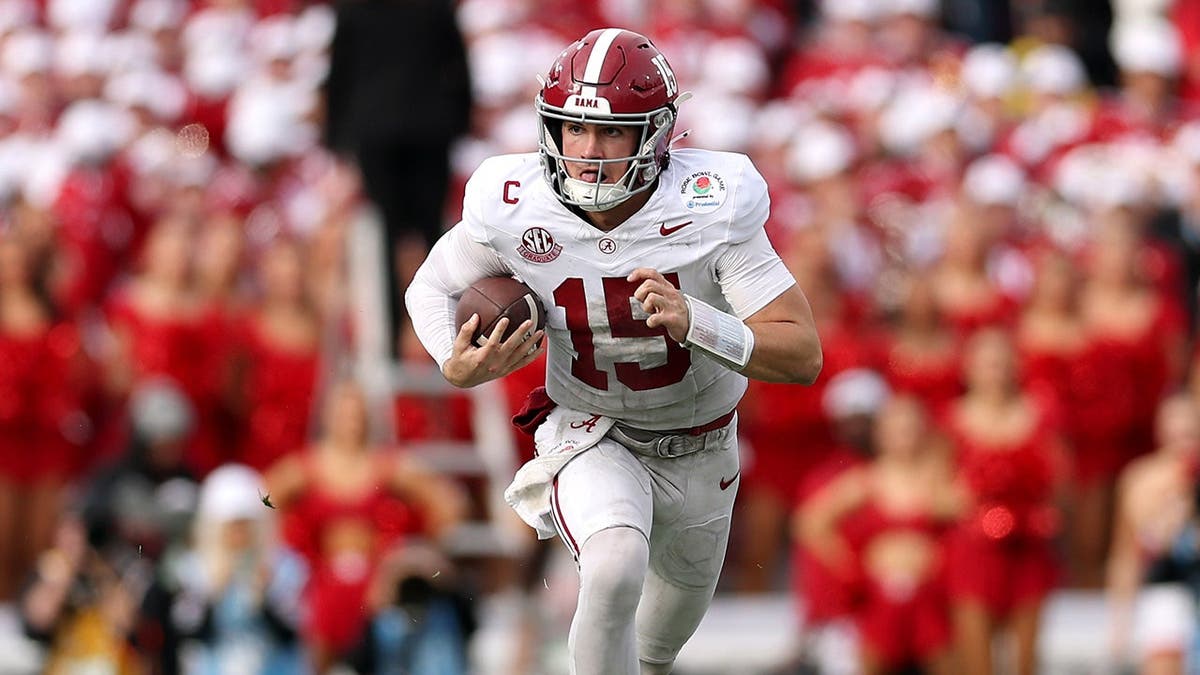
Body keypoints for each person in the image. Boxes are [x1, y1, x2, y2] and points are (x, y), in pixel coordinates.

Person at [406, 28, 822, 675]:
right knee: (614, 561)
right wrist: (451, 360)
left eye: (611, 133)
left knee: (655, 651)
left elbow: (801, 352)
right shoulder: (514, 201)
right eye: (573, 129)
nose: (588, 151)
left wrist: (698, 322)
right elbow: (430, 285)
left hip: (702, 444)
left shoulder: (711, 201)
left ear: (655, 135)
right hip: (594, 429)